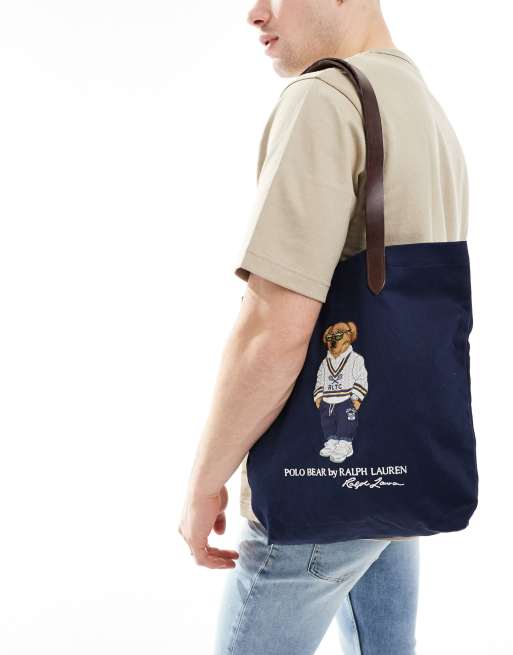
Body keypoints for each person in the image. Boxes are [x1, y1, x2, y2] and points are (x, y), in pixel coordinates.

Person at [178, 0, 469, 653]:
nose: (254, 13)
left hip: (321, 484)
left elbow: (273, 329)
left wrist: (204, 479)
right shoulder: (421, 103)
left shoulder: (325, 99)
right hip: (398, 468)